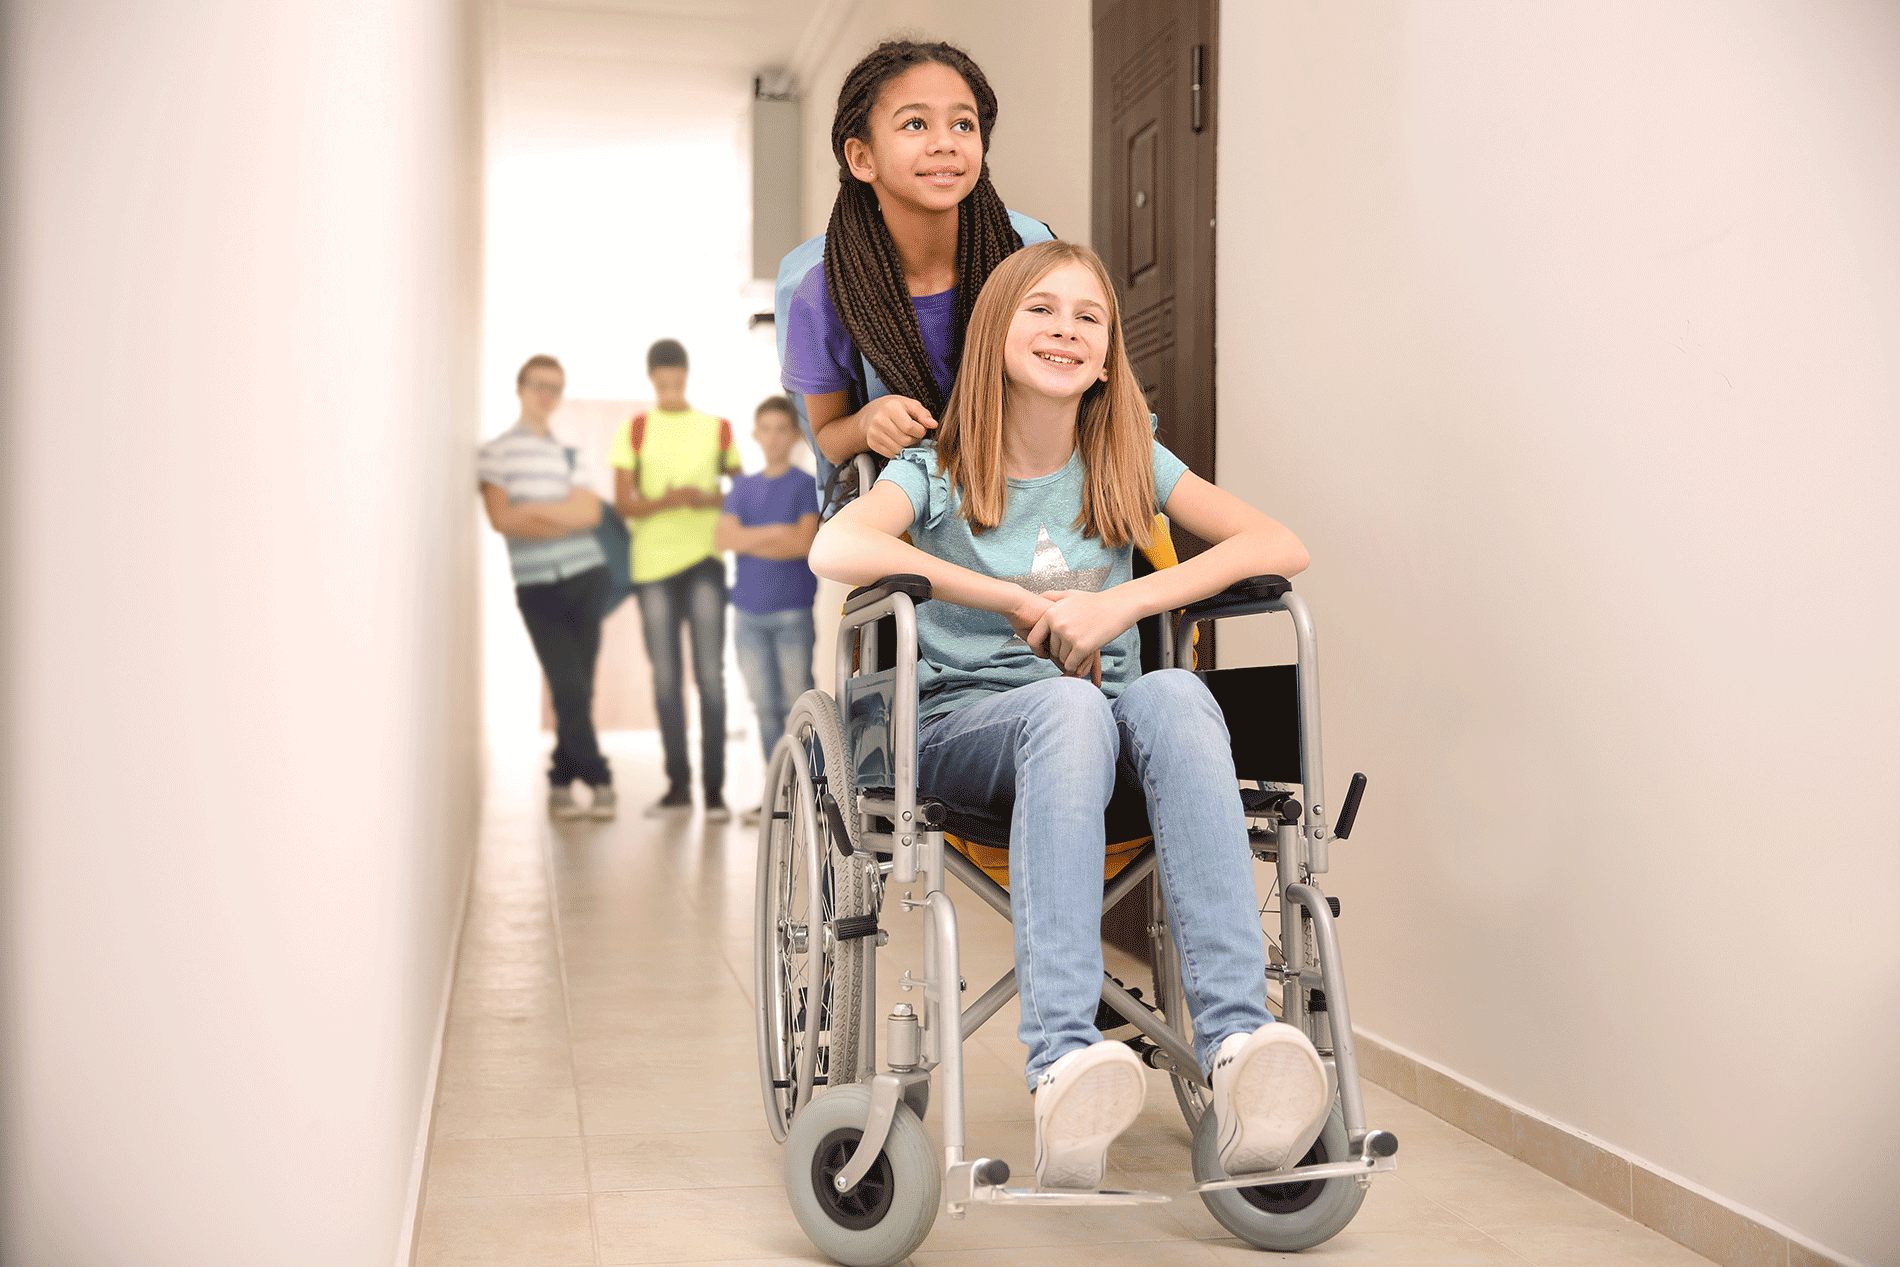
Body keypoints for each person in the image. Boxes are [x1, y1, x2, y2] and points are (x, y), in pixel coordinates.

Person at [808, 241, 1330, 1191]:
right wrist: (1011, 602)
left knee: (1173, 691)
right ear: (995, 332)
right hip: (964, 738)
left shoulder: (1127, 458)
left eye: (1088, 317)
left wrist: (1123, 604)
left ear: (1106, 356)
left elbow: (1277, 542)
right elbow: (836, 546)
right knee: (1064, 706)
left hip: (1106, 732)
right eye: (1041, 310)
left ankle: (1238, 1040)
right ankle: (1059, 1056)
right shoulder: (934, 467)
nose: (1066, 329)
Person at [777, 39, 1056, 506]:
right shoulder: (821, 289)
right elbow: (828, 436)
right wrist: (867, 424)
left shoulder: (1030, 254)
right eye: (915, 123)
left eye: (963, 124)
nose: (944, 142)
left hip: (1030, 489)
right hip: (906, 505)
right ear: (862, 158)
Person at [478, 354, 616, 821]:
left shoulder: (570, 452)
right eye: (538, 385)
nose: (546, 395)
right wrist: (561, 513)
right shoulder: (495, 452)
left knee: (577, 688)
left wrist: (533, 512)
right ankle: (598, 777)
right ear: (520, 389)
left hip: (587, 577)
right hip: (537, 586)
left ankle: (561, 779)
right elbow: (502, 518)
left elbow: (591, 516)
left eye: (554, 388)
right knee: (568, 686)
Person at [611, 339, 741, 820]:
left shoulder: (718, 428)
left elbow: (739, 492)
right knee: (666, 679)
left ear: (686, 376)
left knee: (710, 677)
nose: (670, 389)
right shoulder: (636, 430)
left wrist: (701, 498)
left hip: (704, 560)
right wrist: (671, 500)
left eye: (677, 381)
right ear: (652, 380)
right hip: (652, 569)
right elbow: (624, 502)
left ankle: (713, 794)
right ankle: (677, 789)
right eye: (662, 383)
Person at [715, 397, 820, 824]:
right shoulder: (742, 487)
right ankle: (777, 794)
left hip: (792, 609)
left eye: (783, 428)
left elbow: (802, 544)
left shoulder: (805, 484)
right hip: (747, 613)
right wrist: (777, 533)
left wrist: (754, 536)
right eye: (767, 429)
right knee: (764, 705)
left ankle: (811, 796)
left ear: (794, 435)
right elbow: (725, 539)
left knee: (798, 703)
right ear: (756, 436)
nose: (774, 437)